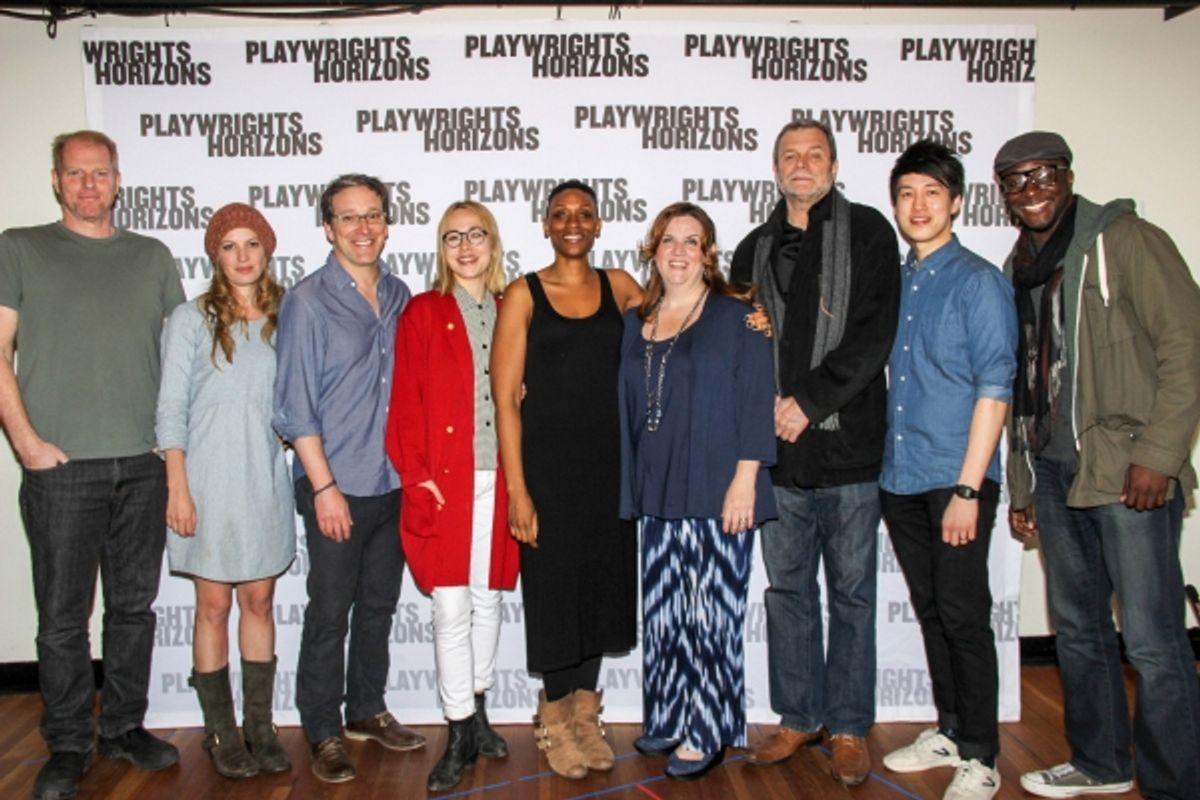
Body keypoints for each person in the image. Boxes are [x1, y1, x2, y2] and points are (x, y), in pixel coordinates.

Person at [995, 131, 1200, 800]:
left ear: (1068, 176)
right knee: (1079, 630)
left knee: (1152, 640)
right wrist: (1023, 484)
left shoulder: (1126, 240)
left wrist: (1158, 456)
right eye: (1017, 181)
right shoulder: (1018, 266)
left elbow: (1186, 348)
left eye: (1043, 175)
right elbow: (1023, 384)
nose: (1032, 191)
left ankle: (1176, 785)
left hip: (1128, 471)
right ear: (1004, 193)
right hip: (1056, 475)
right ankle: (1101, 763)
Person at [0, 130, 185, 800]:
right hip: (62, 468)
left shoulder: (151, 255)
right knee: (62, 618)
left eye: (99, 173)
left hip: (142, 462)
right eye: (75, 173)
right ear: (56, 180)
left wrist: (172, 450)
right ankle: (69, 743)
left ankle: (124, 728)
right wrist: (27, 444)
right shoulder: (20, 248)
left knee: (133, 609)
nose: (87, 185)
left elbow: (182, 357)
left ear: (117, 180)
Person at [730, 118, 900, 785]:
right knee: (788, 592)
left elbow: (873, 335)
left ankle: (850, 726)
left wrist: (808, 401)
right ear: (776, 169)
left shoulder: (869, 232)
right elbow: (738, 345)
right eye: (789, 156)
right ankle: (799, 716)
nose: (801, 164)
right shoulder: (753, 249)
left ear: (833, 164)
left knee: (852, 594)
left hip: (849, 448)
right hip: (778, 456)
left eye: (814, 154)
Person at [273, 173, 423, 784]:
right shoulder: (307, 301)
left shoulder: (400, 294)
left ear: (387, 224)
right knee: (330, 611)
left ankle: (365, 709)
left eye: (373, 215)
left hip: (392, 482)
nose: (363, 227)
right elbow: (294, 408)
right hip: (335, 483)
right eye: (349, 217)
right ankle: (322, 729)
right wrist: (324, 488)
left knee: (379, 605)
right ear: (328, 228)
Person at [877, 141, 1017, 800]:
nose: (919, 205)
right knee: (932, 611)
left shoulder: (978, 281)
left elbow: (995, 387)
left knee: (963, 615)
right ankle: (953, 729)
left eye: (932, 192)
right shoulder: (897, 281)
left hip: (956, 478)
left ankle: (982, 755)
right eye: (907, 193)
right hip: (900, 477)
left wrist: (968, 488)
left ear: (956, 202)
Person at [617, 202, 776, 781]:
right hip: (658, 484)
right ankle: (668, 714)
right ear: (652, 251)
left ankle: (709, 728)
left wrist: (746, 479)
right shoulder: (636, 320)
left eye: (692, 241)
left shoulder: (740, 317)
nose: (679, 251)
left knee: (712, 614)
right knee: (664, 611)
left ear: (708, 253)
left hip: (719, 486)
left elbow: (757, 399)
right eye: (669, 240)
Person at [492, 179, 642, 780]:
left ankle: (586, 715)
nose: (573, 222)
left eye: (584, 213)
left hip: (611, 469)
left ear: (599, 224)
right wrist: (517, 491)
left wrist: (743, 310)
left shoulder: (622, 287)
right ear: (546, 226)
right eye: (561, 214)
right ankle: (554, 717)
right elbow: (505, 399)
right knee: (555, 594)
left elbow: (682, 319)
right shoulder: (523, 294)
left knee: (601, 590)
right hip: (547, 472)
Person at [156, 202, 295, 780]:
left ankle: (260, 728)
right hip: (205, 483)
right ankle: (220, 730)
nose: (242, 256)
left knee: (259, 602)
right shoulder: (190, 319)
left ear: (267, 251)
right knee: (212, 606)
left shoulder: (287, 316)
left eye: (252, 244)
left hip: (263, 481)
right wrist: (178, 488)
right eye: (230, 245)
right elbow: (170, 409)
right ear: (215, 255)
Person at [386, 201, 520, 792]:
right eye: (452, 237)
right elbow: (404, 401)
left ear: (493, 242)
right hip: (447, 481)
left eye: (476, 235)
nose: (466, 247)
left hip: (503, 476)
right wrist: (418, 475)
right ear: (441, 249)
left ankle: (480, 709)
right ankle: (459, 724)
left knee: (489, 598)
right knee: (450, 606)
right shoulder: (423, 311)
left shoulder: (513, 306)